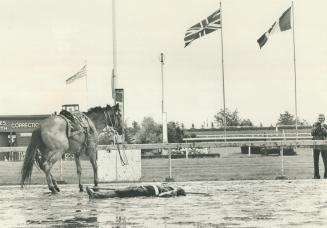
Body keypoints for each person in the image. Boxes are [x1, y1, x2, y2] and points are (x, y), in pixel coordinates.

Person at [86, 184, 186, 199]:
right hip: (143, 188)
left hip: (145, 191)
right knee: (120, 192)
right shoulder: (171, 188)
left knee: (120, 192)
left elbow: (160, 196)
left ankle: (96, 195)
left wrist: (174, 192)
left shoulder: (172, 193)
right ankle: (96, 195)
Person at [311, 114, 327, 179]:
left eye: (322, 118)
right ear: (318, 119)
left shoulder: (325, 125)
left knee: (326, 161)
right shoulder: (314, 125)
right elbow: (312, 133)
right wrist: (317, 127)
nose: (321, 119)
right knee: (315, 161)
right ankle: (316, 175)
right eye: (319, 118)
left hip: (324, 146)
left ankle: (326, 175)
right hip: (316, 145)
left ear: (324, 119)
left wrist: (323, 127)